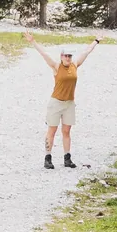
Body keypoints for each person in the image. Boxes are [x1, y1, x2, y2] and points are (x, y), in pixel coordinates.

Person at [24, 31, 101, 168]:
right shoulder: (56, 66)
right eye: (65, 56)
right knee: (51, 131)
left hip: (69, 104)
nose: (68, 58)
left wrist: (96, 40)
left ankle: (67, 158)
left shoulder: (75, 65)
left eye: (69, 56)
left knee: (66, 131)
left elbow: (86, 52)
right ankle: (48, 157)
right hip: (56, 103)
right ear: (61, 56)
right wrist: (33, 41)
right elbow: (44, 54)